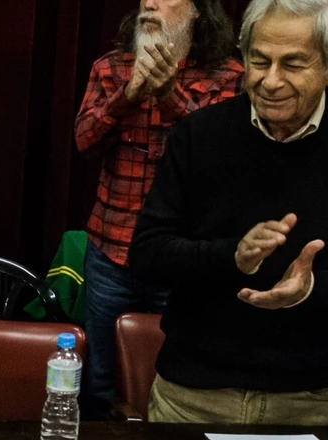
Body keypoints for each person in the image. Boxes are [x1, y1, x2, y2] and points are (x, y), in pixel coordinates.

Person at [130, 0, 328, 425]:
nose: (270, 81)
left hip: (312, 399)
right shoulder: (198, 135)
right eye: (259, 61)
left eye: (293, 64)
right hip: (196, 394)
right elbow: (148, 253)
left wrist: (310, 289)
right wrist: (232, 256)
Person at [70, 0, 242, 416]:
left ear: (198, 10)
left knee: (175, 374)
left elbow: (221, 159)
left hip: (183, 257)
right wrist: (127, 96)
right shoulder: (110, 67)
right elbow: (83, 142)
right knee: (100, 380)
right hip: (113, 252)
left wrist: (169, 94)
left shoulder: (230, 75)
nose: (150, 2)